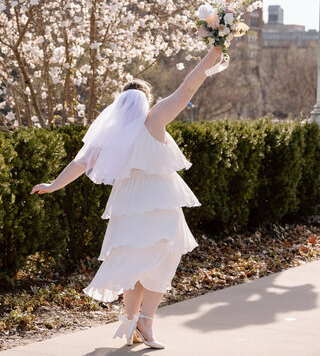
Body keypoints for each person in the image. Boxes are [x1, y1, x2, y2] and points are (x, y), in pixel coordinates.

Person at [31, 45, 223, 349]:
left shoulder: (111, 134)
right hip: (160, 199)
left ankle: (132, 321)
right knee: (162, 259)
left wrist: (54, 184)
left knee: (133, 262)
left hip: (126, 203)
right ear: (145, 100)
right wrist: (212, 55)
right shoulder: (155, 119)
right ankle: (145, 322)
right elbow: (187, 89)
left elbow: (81, 163)